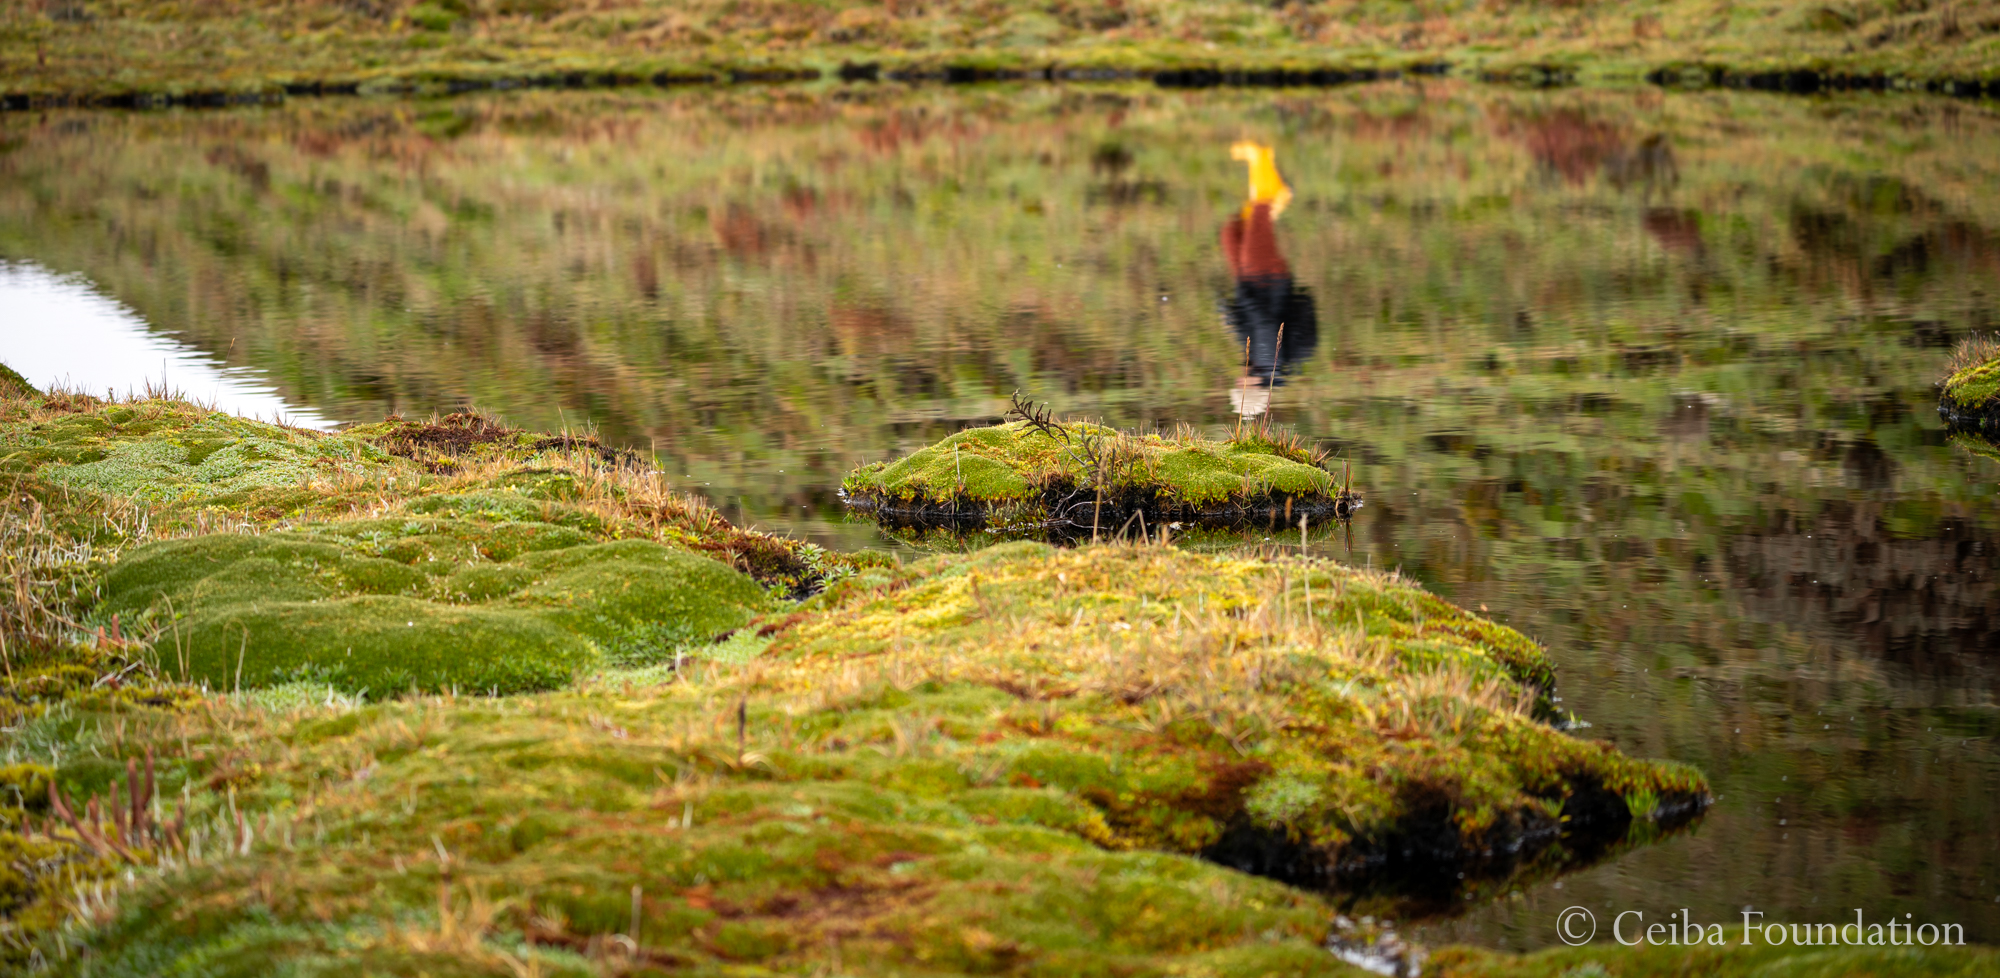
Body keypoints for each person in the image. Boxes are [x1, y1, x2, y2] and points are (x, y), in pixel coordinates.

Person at [1221, 141, 1318, 418]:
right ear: (1251, 387)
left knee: (1231, 233)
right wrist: (1236, 309)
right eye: (1240, 387)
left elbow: (1247, 329)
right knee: (1260, 207)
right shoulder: (1267, 359)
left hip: (1252, 280)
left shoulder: (1261, 363)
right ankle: (1260, 157)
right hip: (1263, 277)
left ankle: (1276, 199)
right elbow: (1262, 320)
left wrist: (1229, 316)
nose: (1237, 381)